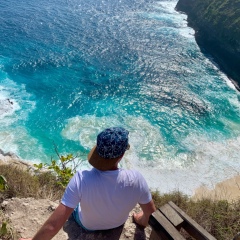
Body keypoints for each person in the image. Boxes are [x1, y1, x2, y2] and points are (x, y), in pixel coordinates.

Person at [20, 127, 156, 240]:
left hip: (87, 225)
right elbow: (150, 212)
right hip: (117, 224)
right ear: (121, 155)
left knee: (74, 204)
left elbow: (52, 227)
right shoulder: (137, 179)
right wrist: (141, 221)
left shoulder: (81, 179)